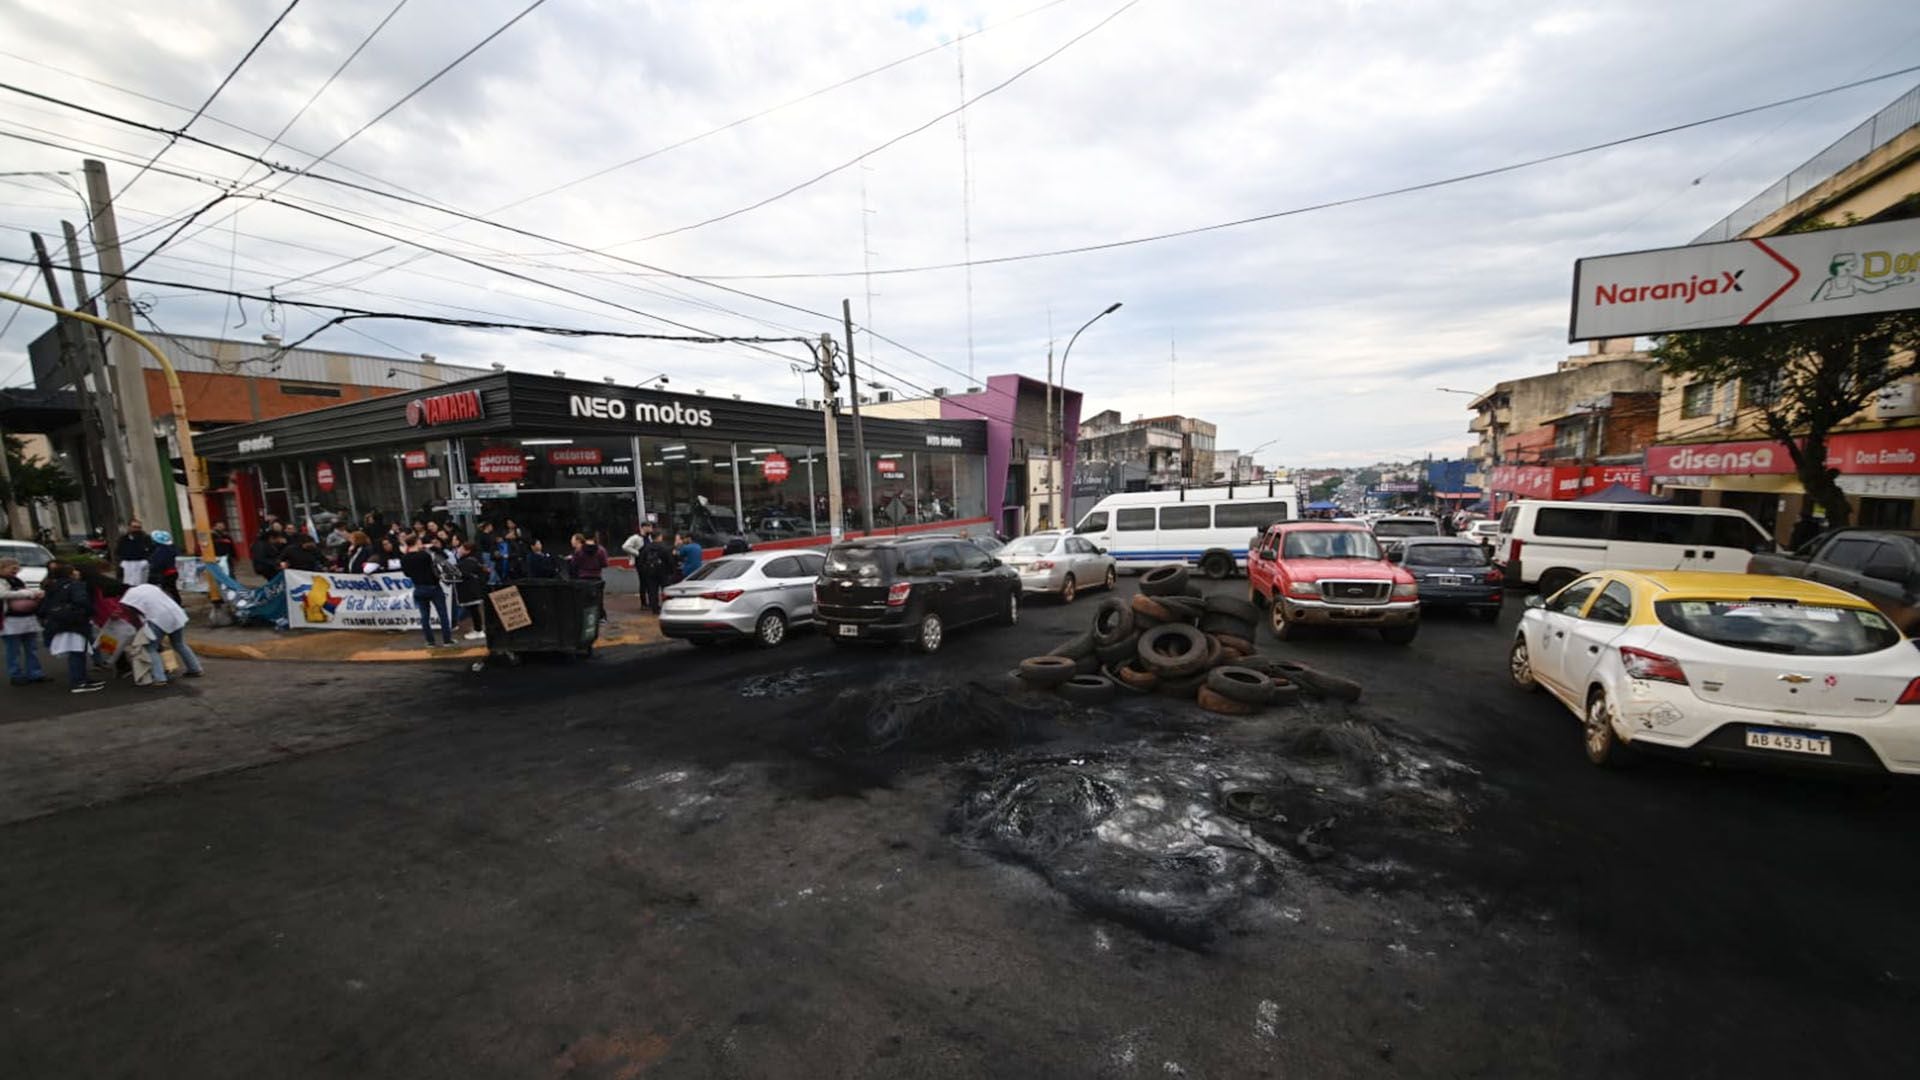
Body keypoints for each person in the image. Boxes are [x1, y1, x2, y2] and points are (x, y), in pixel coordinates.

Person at [119, 582, 204, 687]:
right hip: (176, 613)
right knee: (179, 643)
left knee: (150, 648)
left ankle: (159, 678)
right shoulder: (148, 586)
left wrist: (139, 629)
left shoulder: (127, 598)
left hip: (158, 618)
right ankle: (195, 669)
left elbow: (133, 616)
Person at [38, 561, 103, 694]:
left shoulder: (52, 586)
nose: (77, 572)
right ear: (70, 574)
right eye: (74, 571)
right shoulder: (75, 585)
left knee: (76, 651)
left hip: (59, 622)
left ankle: (83, 678)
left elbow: (44, 607)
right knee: (78, 652)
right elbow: (82, 602)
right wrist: (89, 612)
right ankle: (78, 682)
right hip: (76, 623)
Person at [399, 539, 455, 647]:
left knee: (424, 617)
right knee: (442, 614)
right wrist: (432, 547)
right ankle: (447, 640)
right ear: (417, 543)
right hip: (433, 586)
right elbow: (443, 558)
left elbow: (407, 574)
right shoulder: (425, 555)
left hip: (418, 587)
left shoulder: (404, 558)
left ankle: (430, 641)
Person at [0, 557, 48, 686]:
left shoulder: (17, 580)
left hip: (27, 618)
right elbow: (3, 594)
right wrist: (27, 593)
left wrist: (34, 593)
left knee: (31, 648)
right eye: (12, 568)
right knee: (13, 650)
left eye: (17, 568)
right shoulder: (2, 581)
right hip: (10, 620)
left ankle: (35, 673)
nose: (16, 570)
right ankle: (15, 675)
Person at [454, 540, 489, 640]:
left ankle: (478, 630)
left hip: (470, 591)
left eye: (461, 548)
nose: (459, 550)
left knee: (474, 611)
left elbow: (462, 574)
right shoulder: (474, 559)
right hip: (473, 590)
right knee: (474, 611)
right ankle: (477, 629)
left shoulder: (467, 562)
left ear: (467, 550)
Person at [636, 527, 671, 614]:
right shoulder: (664, 547)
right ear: (659, 537)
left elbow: (641, 561)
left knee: (652, 591)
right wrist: (670, 571)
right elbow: (669, 560)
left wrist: (645, 571)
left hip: (650, 573)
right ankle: (667, 606)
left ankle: (654, 608)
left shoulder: (646, 548)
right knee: (666, 590)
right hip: (663, 572)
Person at [115, 518, 154, 585]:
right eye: (134, 527)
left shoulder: (146, 538)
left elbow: (151, 550)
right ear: (129, 527)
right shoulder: (123, 539)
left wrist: (147, 560)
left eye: (139, 527)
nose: (136, 529)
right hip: (127, 565)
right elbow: (118, 552)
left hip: (142, 564)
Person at [149, 529, 181, 601]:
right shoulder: (173, 548)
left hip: (166, 573)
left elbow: (158, 564)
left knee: (168, 589)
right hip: (175, 571)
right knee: (173, 589)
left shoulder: (160, 551)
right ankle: (177, 601)